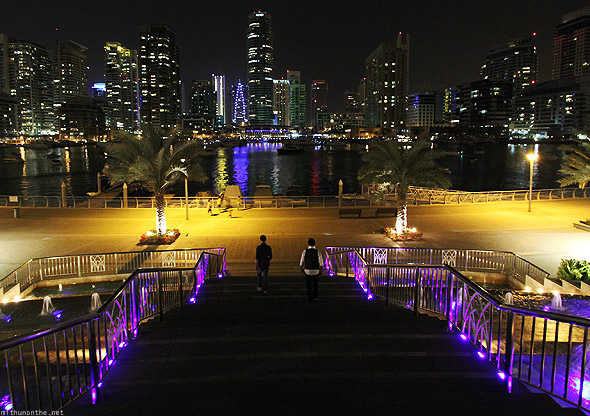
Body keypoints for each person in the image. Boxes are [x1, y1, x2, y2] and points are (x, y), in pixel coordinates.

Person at [300, 237, 323, 302]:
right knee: (315, 284)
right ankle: (315, 296)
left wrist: (301, 268)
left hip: (307, 270)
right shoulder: (318, 251)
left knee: (308, 285)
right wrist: (321, 269)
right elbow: (320, 261)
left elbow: (302, 260)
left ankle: (309, 297)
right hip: (316, 270)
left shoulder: (305, 251)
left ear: (308, 243)